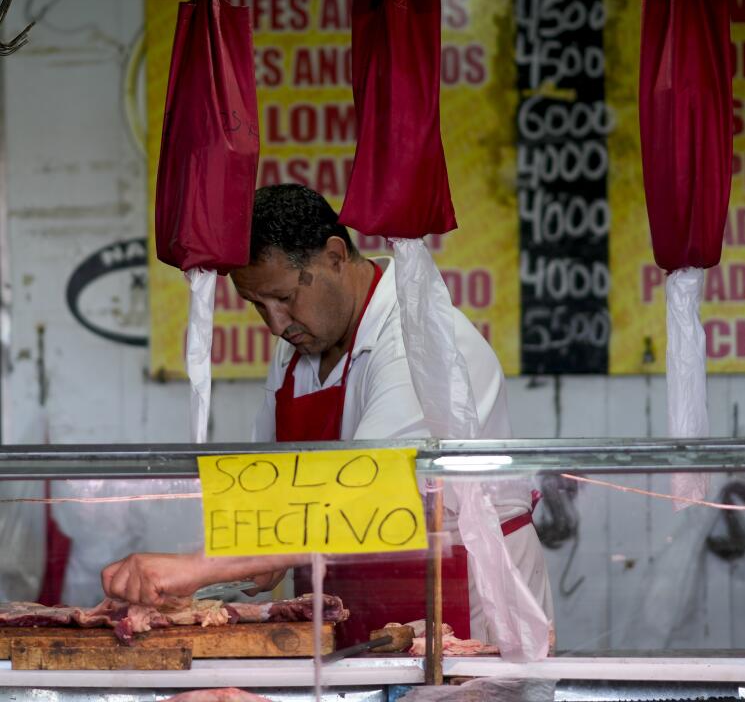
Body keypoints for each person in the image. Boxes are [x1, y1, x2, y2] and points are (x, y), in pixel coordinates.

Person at [103, 184, 552, 645]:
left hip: (460, 595)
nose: (276, 324)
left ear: (335, 256)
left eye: (285, 298)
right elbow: (270, 486)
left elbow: (364, 491)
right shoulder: (298, 348)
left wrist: (196, 567)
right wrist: (233, 563)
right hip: (351, 594)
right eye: (259, 305)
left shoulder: (420, 339)